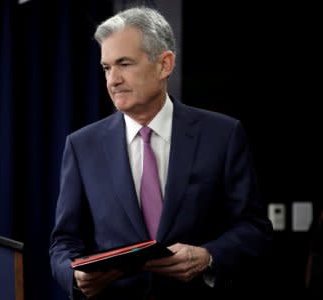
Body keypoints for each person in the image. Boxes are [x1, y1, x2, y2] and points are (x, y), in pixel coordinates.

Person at [49, 6, 272, 299]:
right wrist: (74, 276)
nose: (112, 80)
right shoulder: (82, 146)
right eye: (106, 67)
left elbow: (254, 228)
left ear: (164, 64)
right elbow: (64, 242)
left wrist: (208, 256)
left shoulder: (222, 135)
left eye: (124, 64)